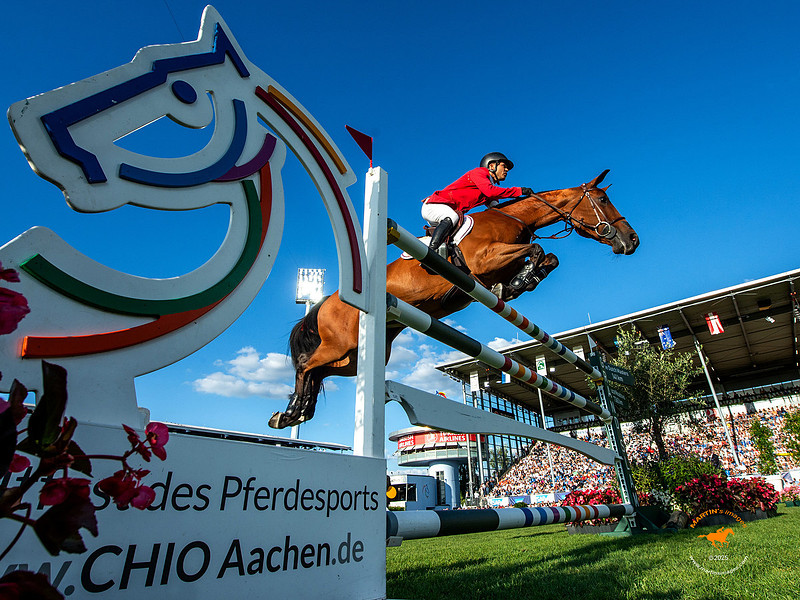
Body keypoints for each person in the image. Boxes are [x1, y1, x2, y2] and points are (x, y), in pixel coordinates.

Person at [421, 152, 533, 252]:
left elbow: (497, 209)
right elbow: (490, 192)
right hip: (434, 206)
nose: (507, 170)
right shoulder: (479, 173)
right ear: (492, 166)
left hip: (446, 213)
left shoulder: (488, 185)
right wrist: (519, 191)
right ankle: (431, 252)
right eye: (504, 166)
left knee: (461, 234)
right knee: (453, 216)